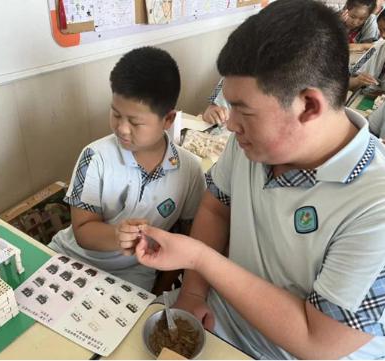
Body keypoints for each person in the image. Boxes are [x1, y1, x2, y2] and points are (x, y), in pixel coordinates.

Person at [134, 1, 385, 359]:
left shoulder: (376, 206)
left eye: (244, 110)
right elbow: (217, 206)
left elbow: (319, 343)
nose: (231, 124)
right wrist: (192, 292)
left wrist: (201, 259)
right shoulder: (252, 144)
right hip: (216, 317)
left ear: (308, 106)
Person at [48, 46, 206, 292]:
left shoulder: (189, 171)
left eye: (135, 122)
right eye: (116, 114)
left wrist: (159, 291)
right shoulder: (95, 156)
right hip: (72, 259)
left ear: (168, 119)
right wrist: (116, 235)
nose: (122, 128)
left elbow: (186, 242)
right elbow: (82, 230)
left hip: (134, 275)